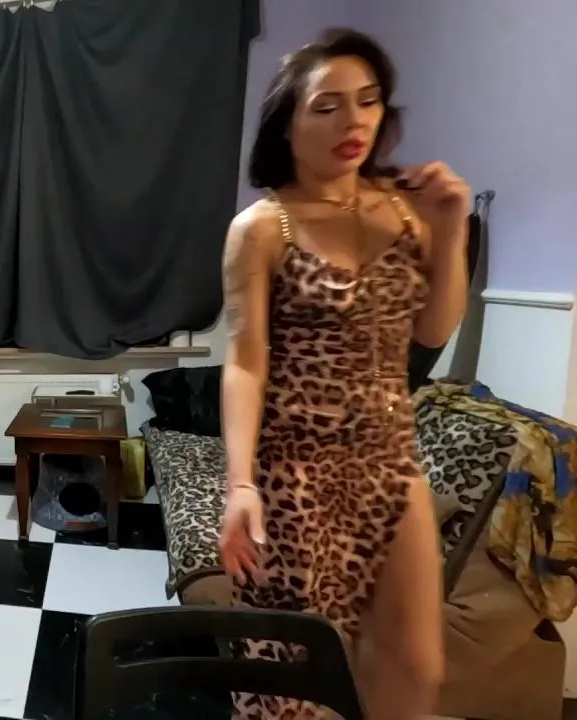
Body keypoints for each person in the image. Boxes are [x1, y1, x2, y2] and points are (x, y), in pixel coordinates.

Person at [217, 29, 468, 719]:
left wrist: (452, 228)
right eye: (326, 106)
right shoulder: (263, 227)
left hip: (391, 463)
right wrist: (240, 485)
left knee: (416, 665)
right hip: (296, 471)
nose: (352, 121)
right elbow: (245, 361)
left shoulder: (407, 210)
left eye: (368, 101)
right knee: (291, 681)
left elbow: (433, 331)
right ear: (288, 124)